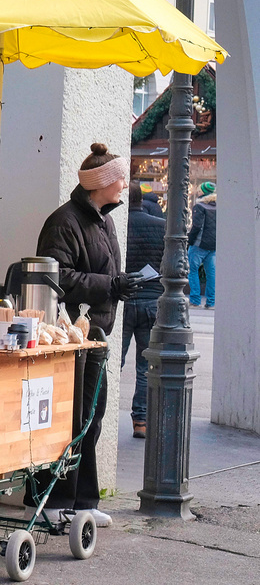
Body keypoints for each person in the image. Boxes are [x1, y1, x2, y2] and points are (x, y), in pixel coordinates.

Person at [30, 142, 141, 527]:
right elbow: (55, 276)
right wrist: (110, 285)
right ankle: (56, 499)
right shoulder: (64, 221)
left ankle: (83, 500)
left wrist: (117, 285)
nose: (124, 185)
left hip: (94, 335)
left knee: (91, 417)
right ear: (101, 184)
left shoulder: (103, 220)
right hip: (70, 338)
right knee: (67, 420)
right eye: (119, 179)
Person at [121, 184, 165, 439]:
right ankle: (141, 421)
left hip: (125, 300)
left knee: (114, 362)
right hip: (151, 300)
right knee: (144, 366)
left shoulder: (116, 224)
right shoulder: (160, 226)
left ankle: (101, 416)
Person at [188, 181, 216, 308]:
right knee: (211, 273)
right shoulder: (218, 206)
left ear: (203, 193)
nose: (197, 192)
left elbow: (197, 226)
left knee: (192, 270)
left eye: (199, 190)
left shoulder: (200, 207)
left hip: (199, 244)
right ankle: (211, 302)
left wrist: (190, 241)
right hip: (213, 245)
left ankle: (195, 300)